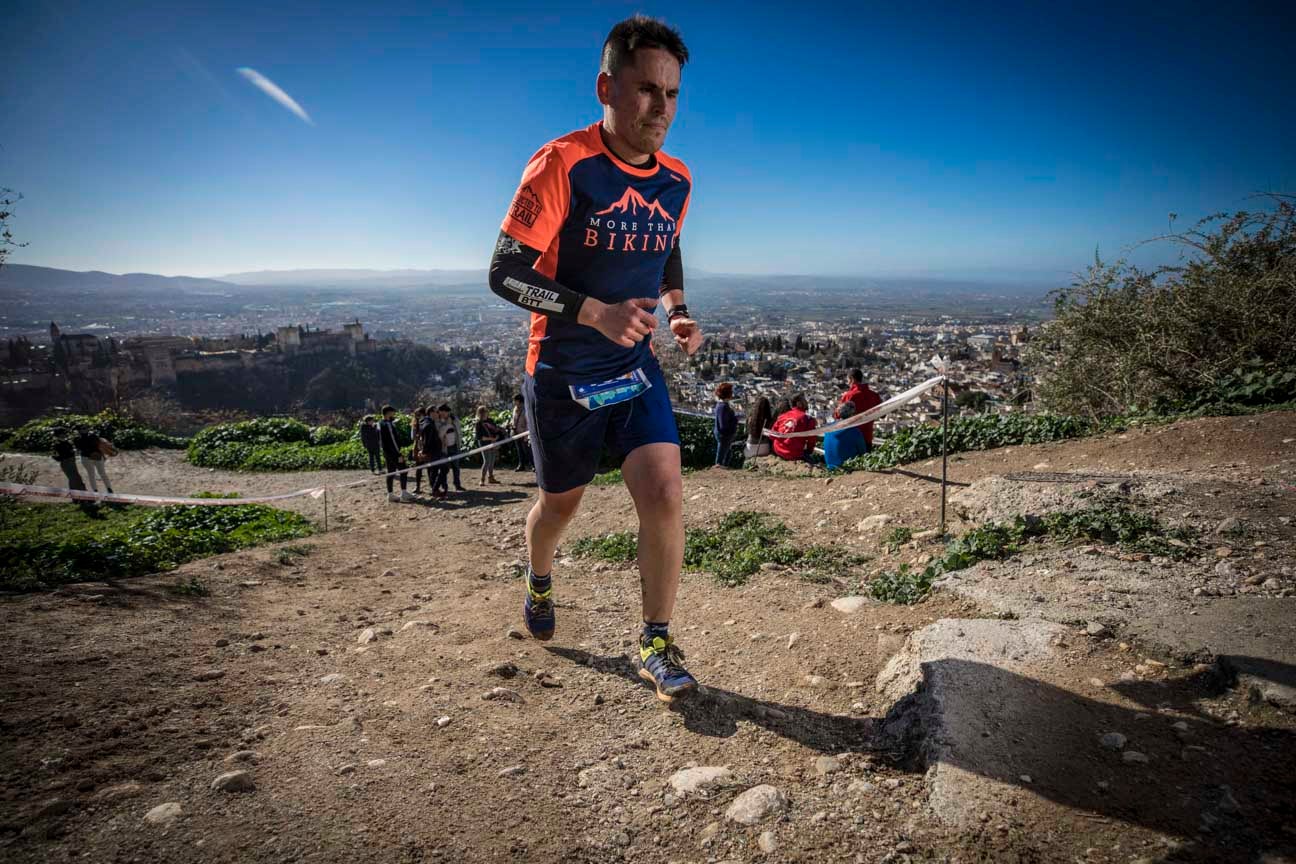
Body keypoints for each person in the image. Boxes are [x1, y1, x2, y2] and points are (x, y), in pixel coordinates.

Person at [486, 15, 703, 702]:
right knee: (560, 505)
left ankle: (655, 640)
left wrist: (676, 308)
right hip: (562, 370)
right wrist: (593, 312)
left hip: (634, 365)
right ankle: (539, 577)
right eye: (645, 90)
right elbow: (505, 272)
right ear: (607, 86)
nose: (660, 108)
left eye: (671, 93)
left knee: (665, 492)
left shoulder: (677, 179)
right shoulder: (563, 163)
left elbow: (664, 242)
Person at [840, 368, 883, 449]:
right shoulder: (874, 395)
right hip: (867, 438)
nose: (848, 383)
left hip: (851, 438)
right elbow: (883, 414)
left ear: (852, 379)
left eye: (848, 380)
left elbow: (838, 415)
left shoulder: (849, 396)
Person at [378, 405, 412, 503]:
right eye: (393, 412)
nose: (394, 414)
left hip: (386, 452)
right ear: (388, 412)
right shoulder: (387, 424)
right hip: (393, 452)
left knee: (391, 472)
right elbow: (392, 440)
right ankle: (404, 493)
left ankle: (390, 494)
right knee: (404, 470)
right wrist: (398, 453)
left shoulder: (379, 424)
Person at [771, 393, 817, 463]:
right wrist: (809, 450)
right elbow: (812, 439)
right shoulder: (808, 419)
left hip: (778, 449)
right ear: (799, 403)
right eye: (804, 400)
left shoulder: (782, 416)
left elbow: (772, 435)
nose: (806, 403)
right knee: (813, 462)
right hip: (794, 453)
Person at [822, 401, 869, 470]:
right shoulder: (854, 432)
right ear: (852, 415)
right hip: (846, 468)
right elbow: (863, 453)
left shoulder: (829, 428)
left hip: (830, 466)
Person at [416, 405, 446, 499]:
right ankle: (435, 489)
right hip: (433, 452)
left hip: (433, 451)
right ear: (431, 412)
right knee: (443, 469)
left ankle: (435, 489)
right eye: (437, 412)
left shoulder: (427, 422)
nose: (438, 414)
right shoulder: (428, 424)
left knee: (433, 471)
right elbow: (427, 440)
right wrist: (424, 451)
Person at [74, 428, 115, 493]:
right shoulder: (89, 436)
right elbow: (99, 445)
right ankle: (97, 490)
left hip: (92, 456)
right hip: (91, 457)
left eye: (84, 428)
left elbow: (99, 446)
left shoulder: (78, 438)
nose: (84, 429)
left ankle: (108, 489)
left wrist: (103, 455)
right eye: (82, 428)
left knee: (99, 473)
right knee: (93, 474)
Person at [436, 404, 465, 493]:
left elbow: (459, 432)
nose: (445, 413)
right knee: (444, 468)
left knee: (456, 467)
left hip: (454, 446)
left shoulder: (455, 419)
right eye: (443, 411)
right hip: (444, 448)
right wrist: (447, 424)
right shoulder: (437, 421)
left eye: (447, 411)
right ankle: (444, 486)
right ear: (440, 412)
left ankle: (457, 484)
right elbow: (440, 434)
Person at [474, 406, 504, 485]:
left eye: (485, 412)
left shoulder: (490, 420)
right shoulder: (478, 424)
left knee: (492, 461)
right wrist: (491, 439)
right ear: (479, 414)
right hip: (484, 444)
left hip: (493, 443)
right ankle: (482, 479)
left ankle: (491, 477)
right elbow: (479, 437)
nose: (485, 414)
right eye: (483, 412)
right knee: (486, 461)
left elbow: (496, 430)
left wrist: (497, 437)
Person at [712, 382, 737, 467]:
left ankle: (724, 468)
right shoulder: (723, 407)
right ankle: (720, 469)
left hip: (723, 434)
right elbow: (723, 425)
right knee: (721, 457)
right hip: (724, 435)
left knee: (726, 453)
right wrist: (735, 420)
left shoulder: (721, 405)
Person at [510, 393, 531, 471]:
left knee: (527, 450)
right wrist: (511, 425)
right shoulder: (515, 409)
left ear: (519, 401)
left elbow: (528, 423)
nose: (514, 402)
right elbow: (513, 419)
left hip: (523, 433)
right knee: (519, 450)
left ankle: (533, 465)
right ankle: (521, 465)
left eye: (515, 400)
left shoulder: (525, 409)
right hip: (516, 433)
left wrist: (526, 435)